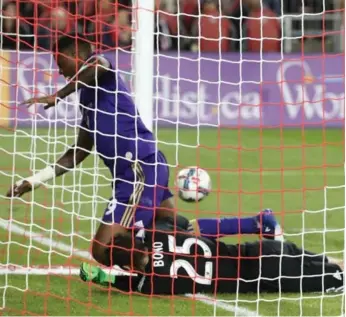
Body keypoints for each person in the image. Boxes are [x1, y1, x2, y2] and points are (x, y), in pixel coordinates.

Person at [6, 33, 176, 267]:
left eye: (61, 62)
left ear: (75, 55)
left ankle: (157, 274)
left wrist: (59, 95)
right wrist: (34, 180)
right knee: (169, 226)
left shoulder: (102, 69)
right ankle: (185, 253)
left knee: (105, 249)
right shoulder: (86, 97)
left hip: (140, 167)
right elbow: (79, 150)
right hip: (129, 175)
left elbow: (99, 67)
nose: (60, 71)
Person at [80, 216, 344, 295]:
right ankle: (256, 222)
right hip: (262, 249)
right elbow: (184, 223)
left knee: (337, 278)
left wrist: (103, 277)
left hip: (261, 276)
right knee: (332, 263)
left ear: (127, 264)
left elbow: (127, 284)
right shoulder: (157, 232)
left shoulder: (154, 281)